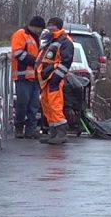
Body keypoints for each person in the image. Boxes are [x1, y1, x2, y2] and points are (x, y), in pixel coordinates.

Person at [36, 17, 74, 145]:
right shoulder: (51, 40)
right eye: (49, 25)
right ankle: (53, 133)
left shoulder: (65, 41)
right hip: (46, 77)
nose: (50, 27)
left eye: (52, 25)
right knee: (47, 105)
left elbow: (66, 62)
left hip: (54, 78)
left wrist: (56, 78)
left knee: (55, 104)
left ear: (58, 26)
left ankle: (61, 133)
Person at [11, 16, 45, 139]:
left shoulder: (35, 37)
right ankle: (19, 128)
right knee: (22, 104)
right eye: (39, 29)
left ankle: (30, 130)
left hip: (34, 77)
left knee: (34, 105)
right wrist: (36, 62)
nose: (40, 31)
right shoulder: (21, 34)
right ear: (34, 26)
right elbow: (17, 52)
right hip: (22, 77)